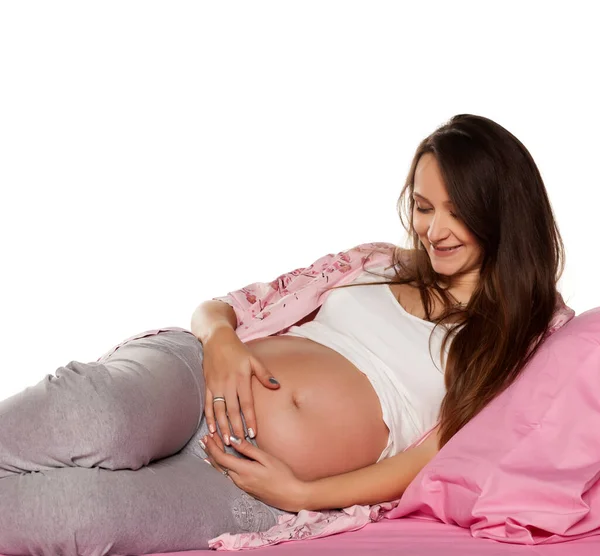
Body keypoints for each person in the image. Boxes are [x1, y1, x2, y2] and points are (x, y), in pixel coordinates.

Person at [0, 114, 573, 556]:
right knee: (93, 417)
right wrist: (222, 343)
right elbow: (221, 308)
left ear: (502, 210)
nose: (434, 229)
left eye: (459, 210)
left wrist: (301, 496)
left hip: (252, 487)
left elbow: (439, 454)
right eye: (424, 207)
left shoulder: (525, 337)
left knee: (78, 517)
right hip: (194, 379)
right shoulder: (373, 261)